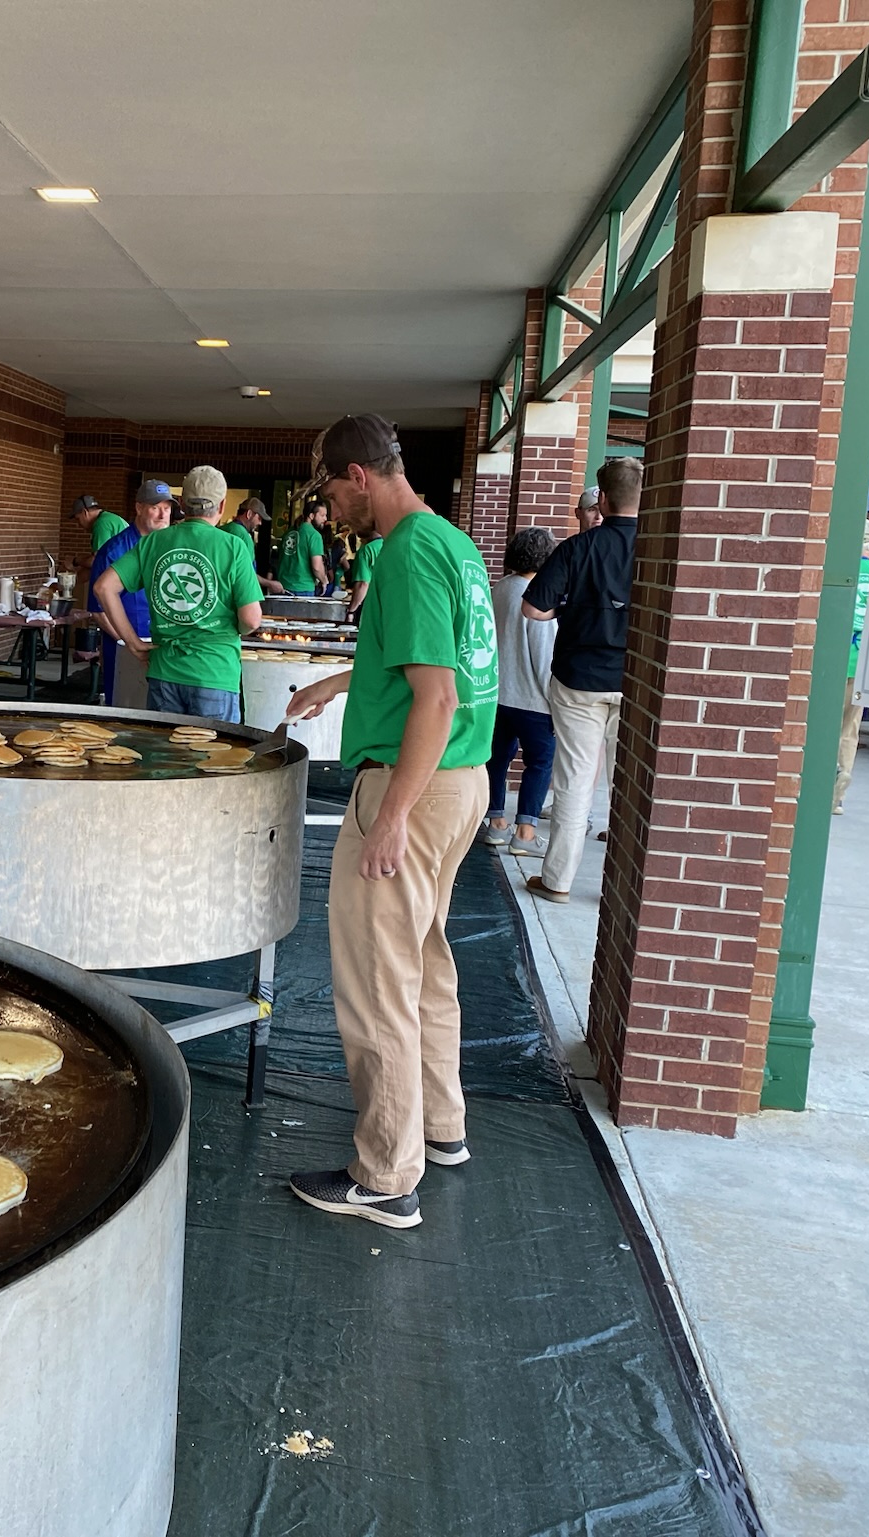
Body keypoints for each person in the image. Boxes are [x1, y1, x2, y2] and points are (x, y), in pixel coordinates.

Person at [282, 414, 497, 1231]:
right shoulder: (450, 542)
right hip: (463, 780)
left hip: (416, 785)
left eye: (332, 490)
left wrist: (390, 816)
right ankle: (440, 1127)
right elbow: (434, 670)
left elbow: (435, 697)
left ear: (357, 475)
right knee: (426, 960)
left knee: (378, 982)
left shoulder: (402, 553)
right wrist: (340, 681)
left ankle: (384, 1174)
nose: (332, 507)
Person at [519, 455, 641, 903]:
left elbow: (534, 609)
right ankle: (624, 886)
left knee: (573, 781)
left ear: (602, 499)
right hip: (634, 682)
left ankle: (558, 881)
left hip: (578, 681)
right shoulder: (658, 550)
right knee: (627, 783)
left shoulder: (577, 547)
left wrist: (568, 609)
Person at [93, 464, 262, 721]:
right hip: (214, 671)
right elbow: (251, 620)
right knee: (214, 759)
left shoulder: (153, 542)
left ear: (181, 502)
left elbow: (103, 587)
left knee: (165, 758)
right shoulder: (233, 546)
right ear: (222, 505)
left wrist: (133, 642)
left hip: (164, 672)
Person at [480, 526, 558, 855]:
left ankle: (496, 824)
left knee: (496, 760)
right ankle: (525, 832)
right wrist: (555, 700)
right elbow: (544, 657)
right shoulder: (537, 596)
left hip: (497, 696)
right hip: (533, 701)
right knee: (540, 763)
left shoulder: (498, 589)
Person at [88, 481, 175, 704]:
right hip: (124, 650)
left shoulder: (172, 548)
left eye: (167, 508)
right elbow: (98, 611)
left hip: (164, 650)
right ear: (138, 508)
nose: (162, 514)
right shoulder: (114, 550)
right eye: (155, 507)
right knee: (125, 711)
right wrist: (128, 644)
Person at [833, 520, 869, 814]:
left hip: (835, 662)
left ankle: (825, 776)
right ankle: (837, 796)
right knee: (849, 730)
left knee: (825, 726)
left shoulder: (839, 574)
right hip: (862, 666)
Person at [274, 503, 330, 594]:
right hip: (302, 587)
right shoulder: (314, 535)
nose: (325, 519)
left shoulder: (288, 533)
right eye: (322, 515)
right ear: (312, 516)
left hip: (282, 586)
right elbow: (317, 567)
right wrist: (324, 581)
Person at [346, 529, 382, 620]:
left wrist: (351, 610)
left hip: (370, 607)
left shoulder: (366, 550)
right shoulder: (389, 545)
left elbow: (363, 584)